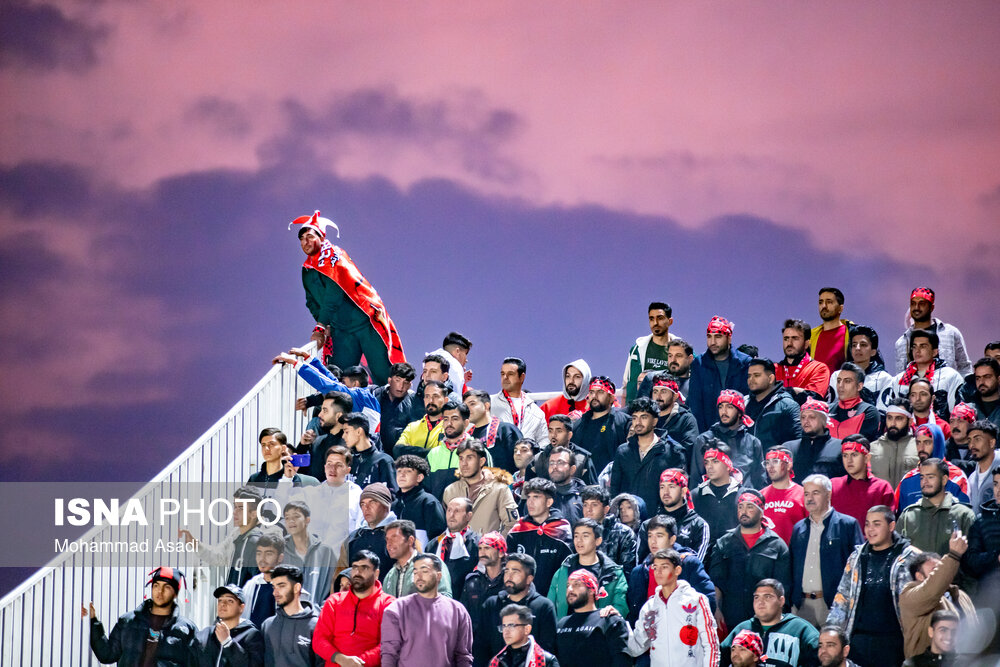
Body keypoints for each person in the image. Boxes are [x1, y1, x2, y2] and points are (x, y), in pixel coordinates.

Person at [291, 210, 405, 385]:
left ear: (321, 238)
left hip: (366, 322)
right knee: (338, 377)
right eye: (301, 239)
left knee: (384, 375)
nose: (305, 242)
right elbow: (310, 301)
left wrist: (320, 327)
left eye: (309, 236)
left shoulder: (336, 257)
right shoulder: (307, 269)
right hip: (342, 330)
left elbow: (333, 296)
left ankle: (394, 411)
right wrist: (325, 324)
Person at [826, 505, 920, 667]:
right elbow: (842, 598)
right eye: (867, 524)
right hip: (858, 642)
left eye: (877, 524)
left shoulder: (911, 557)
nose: (870, 529)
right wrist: (831, 632)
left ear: (891, 526)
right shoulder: (856, 557)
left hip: (894, 643)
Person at [710, 490, 792, 633]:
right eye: (740, 506)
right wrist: (716, 609)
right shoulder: (723, 543)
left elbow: (783, 587)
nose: (744, 511)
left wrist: (777, 619)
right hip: (729, 618)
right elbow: (716, 583)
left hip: (764, 619)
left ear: (761, 512)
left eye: (750, 507)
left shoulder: (777, 545)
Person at [622, 549, 719, 666]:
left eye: (664, 567)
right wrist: (619, 620)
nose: (658, 572)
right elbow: (636, 647)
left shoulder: (697, 600)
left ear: (677, 570)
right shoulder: (649, 607)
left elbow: (710, 643)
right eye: (655, 567)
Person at [85, 566, 198, 666]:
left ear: (175, 593)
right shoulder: (128, 622)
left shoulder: (186, 629)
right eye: (156, 585)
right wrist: (94, 622)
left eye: (167, 587)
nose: (160, 591)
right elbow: (107, 655)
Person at [789, 475, 862, 628]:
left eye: (815, 493)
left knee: (833, 651)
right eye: (806, 494)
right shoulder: (798, 528)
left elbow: (858, 566)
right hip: (801, 605)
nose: (809, 498)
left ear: (828, 494)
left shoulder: (847, 525)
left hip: (833, 605)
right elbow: (791, 566)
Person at [381, 553, 473, 667]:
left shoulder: (458, 611)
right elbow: (389, 654)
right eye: (415, 572)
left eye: (424, 571)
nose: (419, 576)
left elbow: (463, 656)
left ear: (439, 576)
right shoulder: (397, 610)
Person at [276, 446, 364, 558]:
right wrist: (287, 478)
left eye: (339, 465)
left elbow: (360, 532)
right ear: (324, 467)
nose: (333, 469)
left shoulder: (357, 496)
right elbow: (280, 506)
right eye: (329, 464)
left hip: (340, 563)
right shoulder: (311, 493)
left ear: (348, 470)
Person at [899, 536, 977, 660]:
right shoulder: (910, 596)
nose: (943, 572)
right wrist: (954, 555)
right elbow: (932, 590)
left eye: (942, 568)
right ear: (919, 576)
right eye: (935, 570)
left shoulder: (960, 595)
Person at [627, 514, 716, 622]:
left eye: (659, 536)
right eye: (650, 536)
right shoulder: (639, 572)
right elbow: (633, 612)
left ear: (672, 539)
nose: (653, 541)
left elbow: (708, 600)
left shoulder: (688, 564)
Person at [313, 550, 395, 667]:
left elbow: (389, 644)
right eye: (355, 567)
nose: (357, 572)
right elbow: (319, 640)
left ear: (376, 573)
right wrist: (340, 659)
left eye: (364, 568)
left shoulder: (388, 604)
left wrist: (358, 663)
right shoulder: (334, 601)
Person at [476, 553, 559, 666]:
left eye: (515, 572)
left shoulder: (543, 606)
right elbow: (480, 647)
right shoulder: (491, 604)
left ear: (529, 579)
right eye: (507, 571)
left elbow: (548, 648)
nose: (509, 576)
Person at [609, 396, 686, 514]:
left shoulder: (673, 452)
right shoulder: (622, 451)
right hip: (627, 521)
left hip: (659, 522)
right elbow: (614, 490)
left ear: (655, 421)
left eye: (643, 417)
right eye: (635, 418)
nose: (638, 422)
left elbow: (677, 492)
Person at [720, 579, 820, 667]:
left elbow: (822, 658)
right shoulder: (742, 629)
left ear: (781, 601)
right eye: (756, 597)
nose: (760, 602)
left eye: (767, 597)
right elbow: (718, 659)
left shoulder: (801, 629)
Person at [181, 486, 264, 587]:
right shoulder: (235, 534)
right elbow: (218, 557)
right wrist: (195, 544)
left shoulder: (260, 542)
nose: (234, 512)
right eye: (235, 507)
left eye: (241, 508)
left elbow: (261, 581)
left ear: (254, 513)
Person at [547, 518, 628, 617]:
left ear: (598, 541)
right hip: (565, 629)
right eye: (576, 536)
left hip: (600, 628)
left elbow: (621, 607)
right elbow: (550, 607)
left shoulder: (613, 573)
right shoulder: (563, 571)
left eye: (585, 536)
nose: (579, 540)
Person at [506, 478, 573, 597]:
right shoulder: (517, 530)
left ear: (549, 502)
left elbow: (567, 569)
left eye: (536, 497)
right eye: (529, 497)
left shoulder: (561, 530)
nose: (530, 502)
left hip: (553, 598)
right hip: (520, 598)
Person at [897, 458, 976, 557]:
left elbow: (973, 557)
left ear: (944, 480)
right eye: (922, 477)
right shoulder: (908, 515)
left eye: (930, 477)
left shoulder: (964, 515)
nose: (925, 482)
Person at [689, 315, 753, 432]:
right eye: (709, 337)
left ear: (729, 338)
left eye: (718, 337)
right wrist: (704, 437)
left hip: (738, 434)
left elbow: (748, 402)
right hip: (707, 434)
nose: (712, 342)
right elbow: (695, 405)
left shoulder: (745, 363)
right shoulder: (698, 364)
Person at [555, 570, 631, 667]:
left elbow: (622, 661)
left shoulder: (608, 619)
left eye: (577, 584)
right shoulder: (561, 624)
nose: (570, 589)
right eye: (568, 585)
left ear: (591, 590)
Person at [691, 390, 766, 488]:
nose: (724, 412)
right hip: (712, 500)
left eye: (729, 407)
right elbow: (695, 480)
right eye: (721, 407)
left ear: (739, 412)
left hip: (744, 500)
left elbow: (760, 481)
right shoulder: (704, 440)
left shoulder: (753, 442)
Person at [442, 439, 520, 535]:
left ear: (482, 461)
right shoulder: (450, 490)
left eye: (469, 458)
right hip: (457, 548)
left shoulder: (500, 489)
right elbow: (445, 526)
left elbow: (512, 525)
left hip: (488, 548)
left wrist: (494, 546)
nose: (464, 463)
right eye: (461, 458)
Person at [894, 287, 973, 377]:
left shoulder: (950, 333)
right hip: (916, 389)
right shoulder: (902, 342)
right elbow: (900, 377)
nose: (916, 307)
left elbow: (965, 367)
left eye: (922, 304)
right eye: (913, 303)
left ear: (931, 307)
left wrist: (961, 388)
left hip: (948, 389)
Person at [637, 468, 711, 563]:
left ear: (683, 491)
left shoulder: (699, 525)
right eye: (662, 487)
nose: (666, 492)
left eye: (671, 486)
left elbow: (695, 565)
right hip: (652, 576)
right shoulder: (647, 525)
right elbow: (640, 565)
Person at [281, 501, 338, 618]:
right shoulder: (280, 550)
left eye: (296, 516)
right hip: (286, 617)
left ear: (307, 520)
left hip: (316, 618)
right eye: (287, 518)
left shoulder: (326, 552)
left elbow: (335, 587)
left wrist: (322, 611)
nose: (291, 521)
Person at [894, 424, 969, 511]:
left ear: (938, 444)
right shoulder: (907, 479)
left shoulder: (957, 477)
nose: (921, 448)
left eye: (927, 442)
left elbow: (964, 516)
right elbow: (899, 518)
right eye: (918, 442)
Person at [890, 330, 964, 416]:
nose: (917, 351)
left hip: (940, 428)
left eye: (923, 346)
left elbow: (957, 412)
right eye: (914, 347)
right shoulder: (899, 379)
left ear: (935, 352)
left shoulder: (950, 376)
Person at [260, 565, 321, 667]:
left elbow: (321, 663)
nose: (275, 592)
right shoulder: (267, 625)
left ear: (297, 587)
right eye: (274, 587)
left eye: (281, 586)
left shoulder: (316, 625)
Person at [190, 584, 265, 667]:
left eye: (230, 601)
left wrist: (228, 643)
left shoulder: (252, 636)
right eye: (220, 600)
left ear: (241, 607)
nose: (223, 604)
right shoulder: (205, 635)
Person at [829, 436, 896, 528]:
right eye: (845, 455)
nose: (849, 460)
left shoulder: (882, 488)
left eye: (854, 455)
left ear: (867, 458)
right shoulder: (832, 485)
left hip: (872, 541)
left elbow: (887, 527)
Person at [570, 376, 632, 475]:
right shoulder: (578, 425)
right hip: (584, 486)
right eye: (592, 392)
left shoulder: (624, 423)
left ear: (611, 398)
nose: (595, 396)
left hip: (613, 483)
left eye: (600, 392)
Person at [335, 482, 397, 580]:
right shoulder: (352, 538)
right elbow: (339, 578)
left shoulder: (402, 536)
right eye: (362, 504)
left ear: (386, 505)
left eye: (372, 502)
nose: (366, 508)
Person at [426, 401, 487, 499]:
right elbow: (425, 490)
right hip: (436, 513)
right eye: (445, 419)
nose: (449, 423)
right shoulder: (433, 454)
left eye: (454, 419)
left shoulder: (478, 451)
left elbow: (487, 489)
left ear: (466, 423)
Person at [744, 358, 804, 455]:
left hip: (776, 466)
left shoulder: (787, 406)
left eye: (757, 375)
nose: (751, 380)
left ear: (771, 378)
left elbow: (799, 443)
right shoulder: (743, 403)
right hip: (745, 468)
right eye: (749, 376)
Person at [693, 444, 745, 555]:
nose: (709, 467)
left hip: (734, 558)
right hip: (702, 557)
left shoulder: (744, 495)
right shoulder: (695, 495)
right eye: (706, 462)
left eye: (715, 461)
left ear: (728, 465)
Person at [623, 301, 680, 402]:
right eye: (651, 319)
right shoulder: (637, 350)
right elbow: (627, 386)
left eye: (660, 318)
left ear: (670, 321)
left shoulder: (682, 351)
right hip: (640, 410)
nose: (655, 323)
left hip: (668, 411)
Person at [382, 519, 453, 599]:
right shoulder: (390, 575)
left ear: (410, 540)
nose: (389, 544)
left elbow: (445, 598)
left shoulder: (431, 562)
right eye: (387, 539)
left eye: (394, 538)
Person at [828, 326, 894, 410]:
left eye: (863, 345)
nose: (857, 348)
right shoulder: (837, 375)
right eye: (854, 345)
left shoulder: (884, 378)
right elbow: (832, 409)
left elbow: (882, 412)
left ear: (873, 352)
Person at [783, 399, 847, 482]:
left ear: (824, 421)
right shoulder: (788, 448)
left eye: (812, 417)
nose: (806, 421)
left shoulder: (840, 447)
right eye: (803, 417)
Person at [427, 497, 481, 594]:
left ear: (469, 516)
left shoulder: (477, 545)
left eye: (457, 511)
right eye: (449, 510)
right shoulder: (433, 544)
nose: (451, 515)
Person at [491, 357, 549, 447]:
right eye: (502, 374)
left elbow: (544, 442)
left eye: (510, 374)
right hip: (497, 460)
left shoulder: (537, 412)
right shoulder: (488, 404)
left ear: (522, 377)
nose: (505, 377)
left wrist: (533, 458)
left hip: (527, 460)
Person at [391, 454, 446, 546]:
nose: (402, 475)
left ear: (419, 477)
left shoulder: (429, 502)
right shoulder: (394, 505)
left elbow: (437, 537)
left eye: (408, 471)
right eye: (399, 471)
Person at [580, 485, 637, 572]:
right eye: (585, 505)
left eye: (594, 505)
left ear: (606, 509)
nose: (589, 509)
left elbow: (627, 569)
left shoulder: (624, 533)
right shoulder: (579, 531)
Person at [465, 389, 523, 473]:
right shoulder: (468, 437)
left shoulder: (506, 430)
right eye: (465, 406)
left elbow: (523, 463)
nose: (467, 409)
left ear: (486, 406)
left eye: (472, 404)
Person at [460, 531, 508, 632]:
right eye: (480, 548)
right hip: (477, 641)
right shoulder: (472, 581)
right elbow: (463, 615)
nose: (482, 552)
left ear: (501, 553)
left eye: (487, 548)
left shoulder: (509, 581)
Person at [761, 447, 807, 545]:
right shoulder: (760, 496)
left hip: (795, 554)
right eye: (767, 462)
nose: (770, 466)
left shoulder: (804, 494)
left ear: (789, 465)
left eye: (776, 461)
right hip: (767, 555)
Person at [491, 604, 561, 667]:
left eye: (511, 625)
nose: (506, 631)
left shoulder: (547, 661)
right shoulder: (498, 661)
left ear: (527, 629)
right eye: (504, 626)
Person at [339, 412, 396, 490]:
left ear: (359, 431)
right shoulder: (348, 461)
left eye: (346, 432)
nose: (343, 436)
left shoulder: (384, 461)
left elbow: (391, 495)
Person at [534, 414, 597, 485]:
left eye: (559, 431)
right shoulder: (537, 459)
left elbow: (592, 491)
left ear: (569, 435)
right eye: (550, 431)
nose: (553, 435)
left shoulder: (582, 458)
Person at [241, 529, 286, 628]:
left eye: (269, 554)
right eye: (259, 553)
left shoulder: (288, 586)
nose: (262, 559)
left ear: (280, 558)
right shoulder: (251, 584)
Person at [870, 399, 919, 488]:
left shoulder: (919, 447)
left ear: (910, 422)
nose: (893, 423)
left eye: (899, 418)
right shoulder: (872, 448)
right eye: (889, 418)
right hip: (880, 501)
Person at [826, 363, 882, 442]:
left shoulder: (868, 411)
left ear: (859, 386)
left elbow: (861, 446)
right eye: (838, 381)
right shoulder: (827, 409)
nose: (840, 385)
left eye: (847, 381)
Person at [247, 427, 318, 488]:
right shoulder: (254, 478)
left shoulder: (294, 478)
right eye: (263, 445)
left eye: (271, 444)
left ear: (283, 448)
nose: (266, 448)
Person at [964, 464, 1000, 582]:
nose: (998, 491)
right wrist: (996, 557)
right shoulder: (981, 521)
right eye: (995, 484)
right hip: (991, 590)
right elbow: (971, 561)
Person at [776, 319, 831, 396]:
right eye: (786, 339)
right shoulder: (773, 369)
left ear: (806, 343)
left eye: (795, 338)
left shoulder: (819, 368)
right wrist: (797, 391)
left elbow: (812, 399)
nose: (789, 343)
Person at [395, 379, 449, 457]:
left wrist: (410, 450)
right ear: (424, 400)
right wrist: (433, 451)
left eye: (435, 396)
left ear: (445, 400)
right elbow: (397, 450)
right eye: (427, 396)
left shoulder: (451, 427)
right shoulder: (412, 427)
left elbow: (444, 455)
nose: (430, 401)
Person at [650, 372, 700, 454]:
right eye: (655, 391)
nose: (658, 397)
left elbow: (689, 451)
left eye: (663, 391)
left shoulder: (686, 419)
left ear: (675, 396)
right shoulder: (647, 417)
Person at [374, 362, 417, 453]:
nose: (401, 387)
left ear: (410, 385)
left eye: (405, 383)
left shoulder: (414, 402)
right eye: (397, 380)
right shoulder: (374, 395)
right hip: (375, 452)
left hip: (400, 455)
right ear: (389, 380)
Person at [811, 287, 851, 375]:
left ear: (841, 308)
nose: (824, 306)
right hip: (813, 388)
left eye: (829, 302)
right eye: (820, 302)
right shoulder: (811, 336)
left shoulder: (852, 334)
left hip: (841, 387)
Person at [965, 419, 998, 515]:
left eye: (977, 439)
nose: (972, 445)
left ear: (992, 443)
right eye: (969, 440)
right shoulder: (971, 478)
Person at [429, 331, 474, 397]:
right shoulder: (456, 366)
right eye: (465, 354)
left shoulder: (430, 359)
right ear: (457, 351)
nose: (466, 360)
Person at [968, 356, 1000, 428]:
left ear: (998, 379)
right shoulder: (969, 408)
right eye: (978, 378)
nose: (981, 382)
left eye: (987, 377)